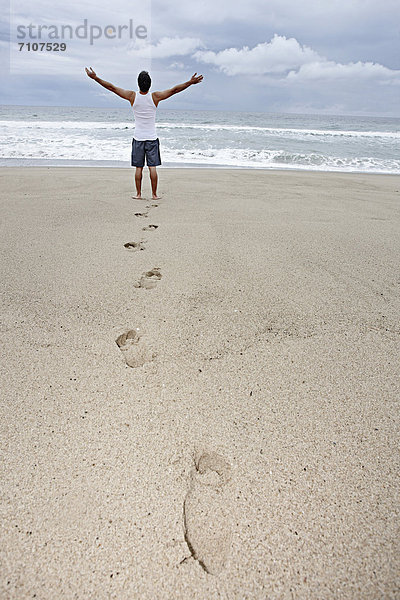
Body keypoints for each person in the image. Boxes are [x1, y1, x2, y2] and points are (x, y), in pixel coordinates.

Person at [85, 67, 203, 199]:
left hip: (138, 138)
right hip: (152, 138)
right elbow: (174, 90)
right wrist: (190, 82)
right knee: (152, 167)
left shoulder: (132, 96)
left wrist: (95, 78)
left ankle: (139, 194)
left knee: (138, 168)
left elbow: (112, 88)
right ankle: (154, 194)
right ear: (150, 84)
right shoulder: (155, 97)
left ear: (138, 83)